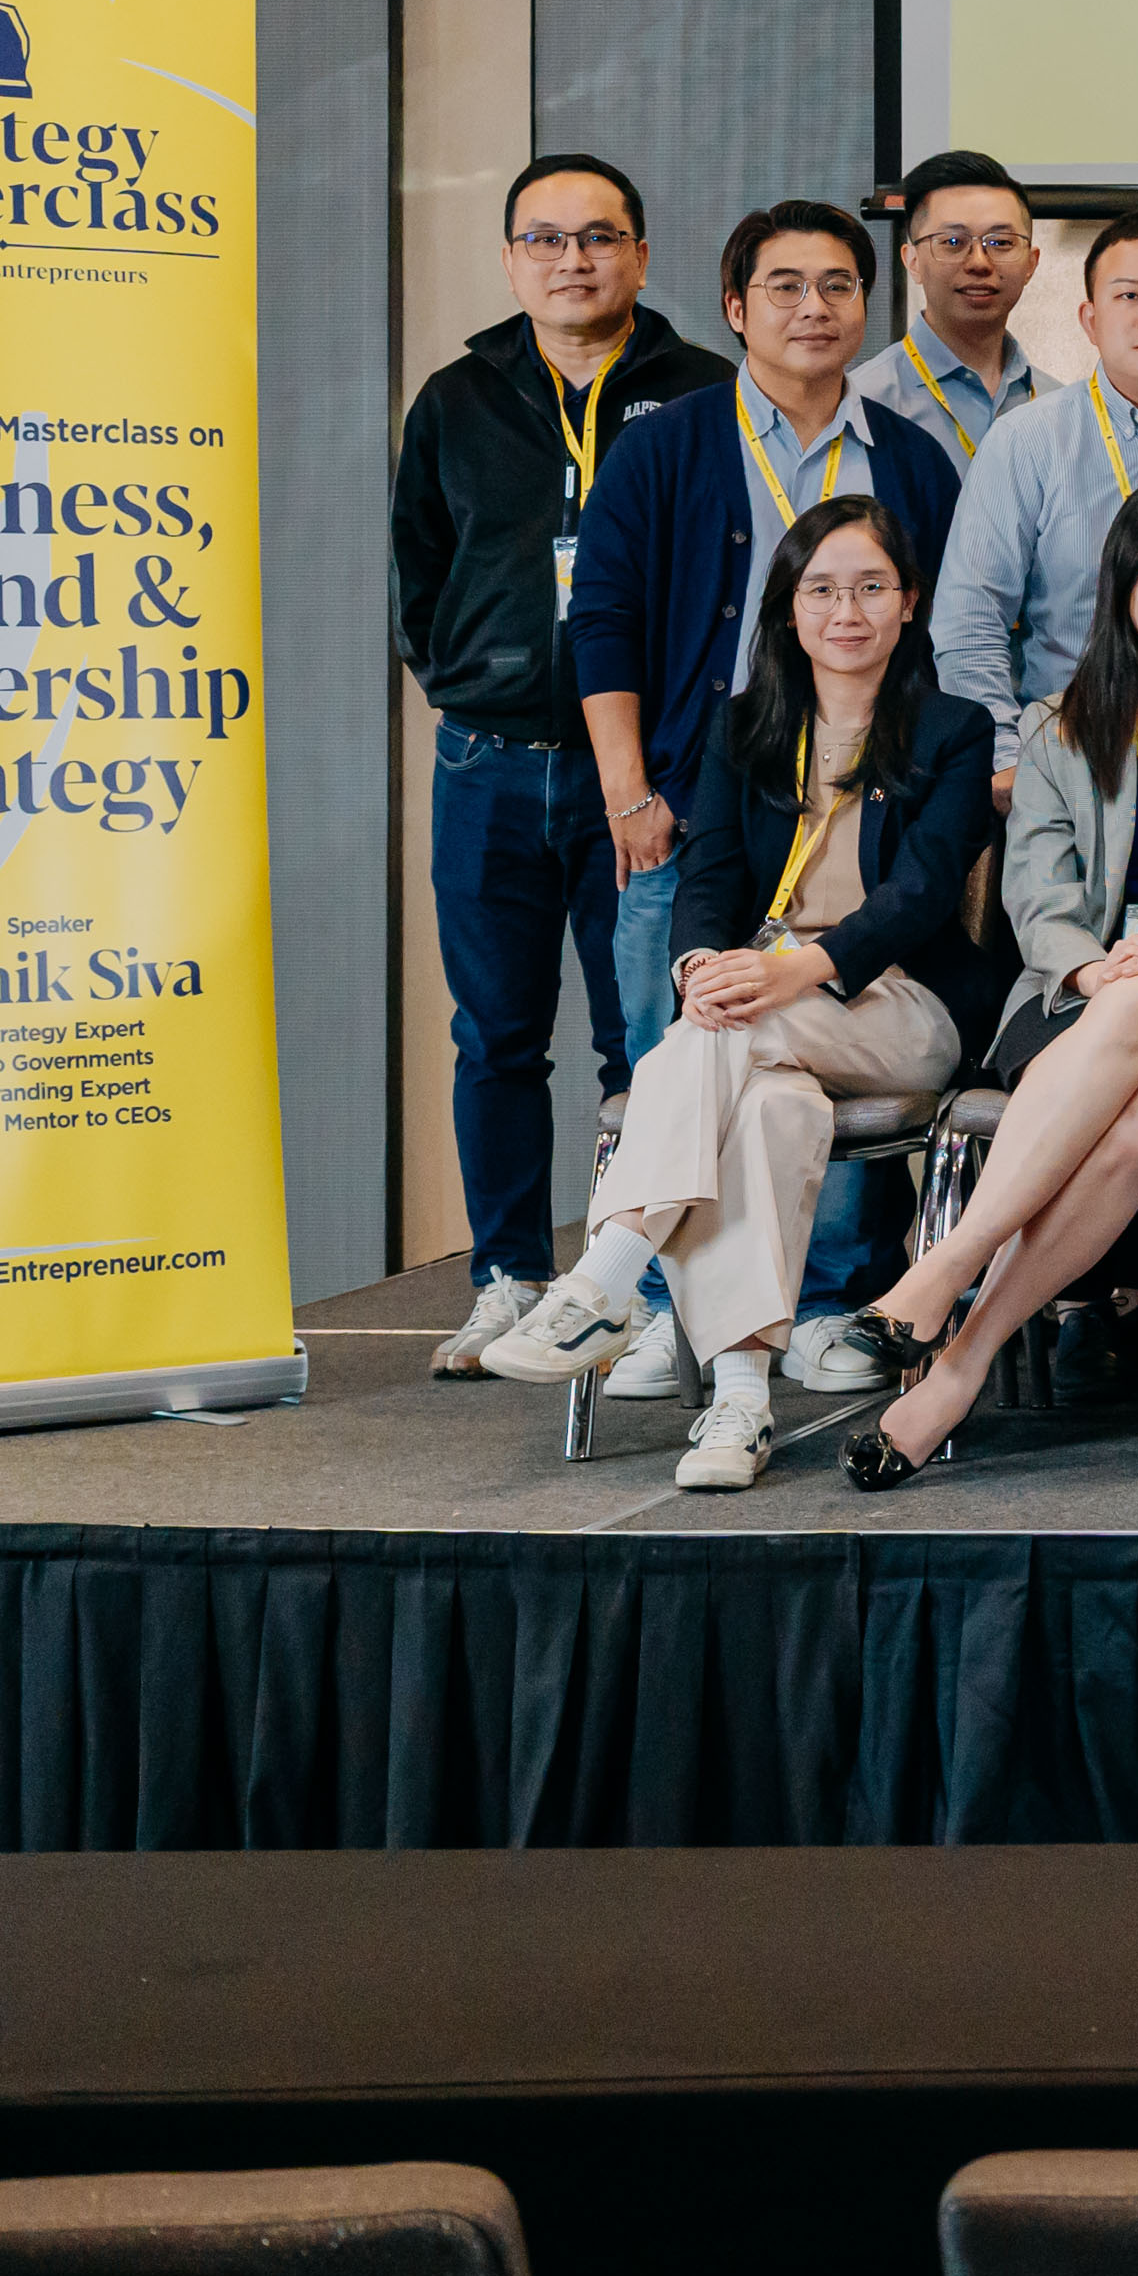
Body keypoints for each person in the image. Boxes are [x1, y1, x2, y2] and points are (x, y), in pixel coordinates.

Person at [475, 494, 1004, 1493]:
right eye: (822, 590)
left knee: (718, 1035)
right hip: (761, 1011)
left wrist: (785, 972)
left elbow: (924, 893)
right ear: (788, 609)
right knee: (766, 1110)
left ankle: (607, 1274)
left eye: (871, 588)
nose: (846, 611)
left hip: (902, 1003)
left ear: (909, 602)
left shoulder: (953, 730)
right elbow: (708, 878)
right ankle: (741, 1400)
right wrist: (696, 969)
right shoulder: (748, 727)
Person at [825, 472, 1138, 1479]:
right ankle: (960, 1367)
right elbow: (1036, 888)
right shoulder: (1060, 724)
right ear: (1122, 581)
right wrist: (1096, 967)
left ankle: (946, 1265)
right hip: (1079, 995)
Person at [567, 201, 969, 1370]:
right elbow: (603, 619)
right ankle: (665, 1309)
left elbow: (944, 628)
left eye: (838, 285)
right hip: (695, 809)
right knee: (685, 1036)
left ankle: (809, 1298)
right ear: (736, 308)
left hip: (855, 798)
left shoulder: (909, 458)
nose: (814, 307)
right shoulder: (666, 445)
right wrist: (630, 791)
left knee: (773, 1062)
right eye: (785, 286)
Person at [391, 151, 729, 1370]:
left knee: (645, 1043)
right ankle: (506, 1276)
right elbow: (419, 571)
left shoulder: (702, 393)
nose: (572, 260)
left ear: (639, 253)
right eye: (545, 238)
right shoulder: (458, 398)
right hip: (488, 763)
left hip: (636, 779)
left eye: (598, 237)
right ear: (509, 259)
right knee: (494, 1035)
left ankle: (641, 1288)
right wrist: (472, 678)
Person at [931, 212, 1138, 720]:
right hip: (1061, 748)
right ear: (1090, 321)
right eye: (1129, 296)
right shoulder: (1025, 443)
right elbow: (969, 628)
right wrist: (1009, 752)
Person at [861, 149, 1045, 463]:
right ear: (913, 261)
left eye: (1000, 242)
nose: (979, 263)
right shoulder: (863, 404)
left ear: (1031, 263)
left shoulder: (1061, 406)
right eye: (953, 242)